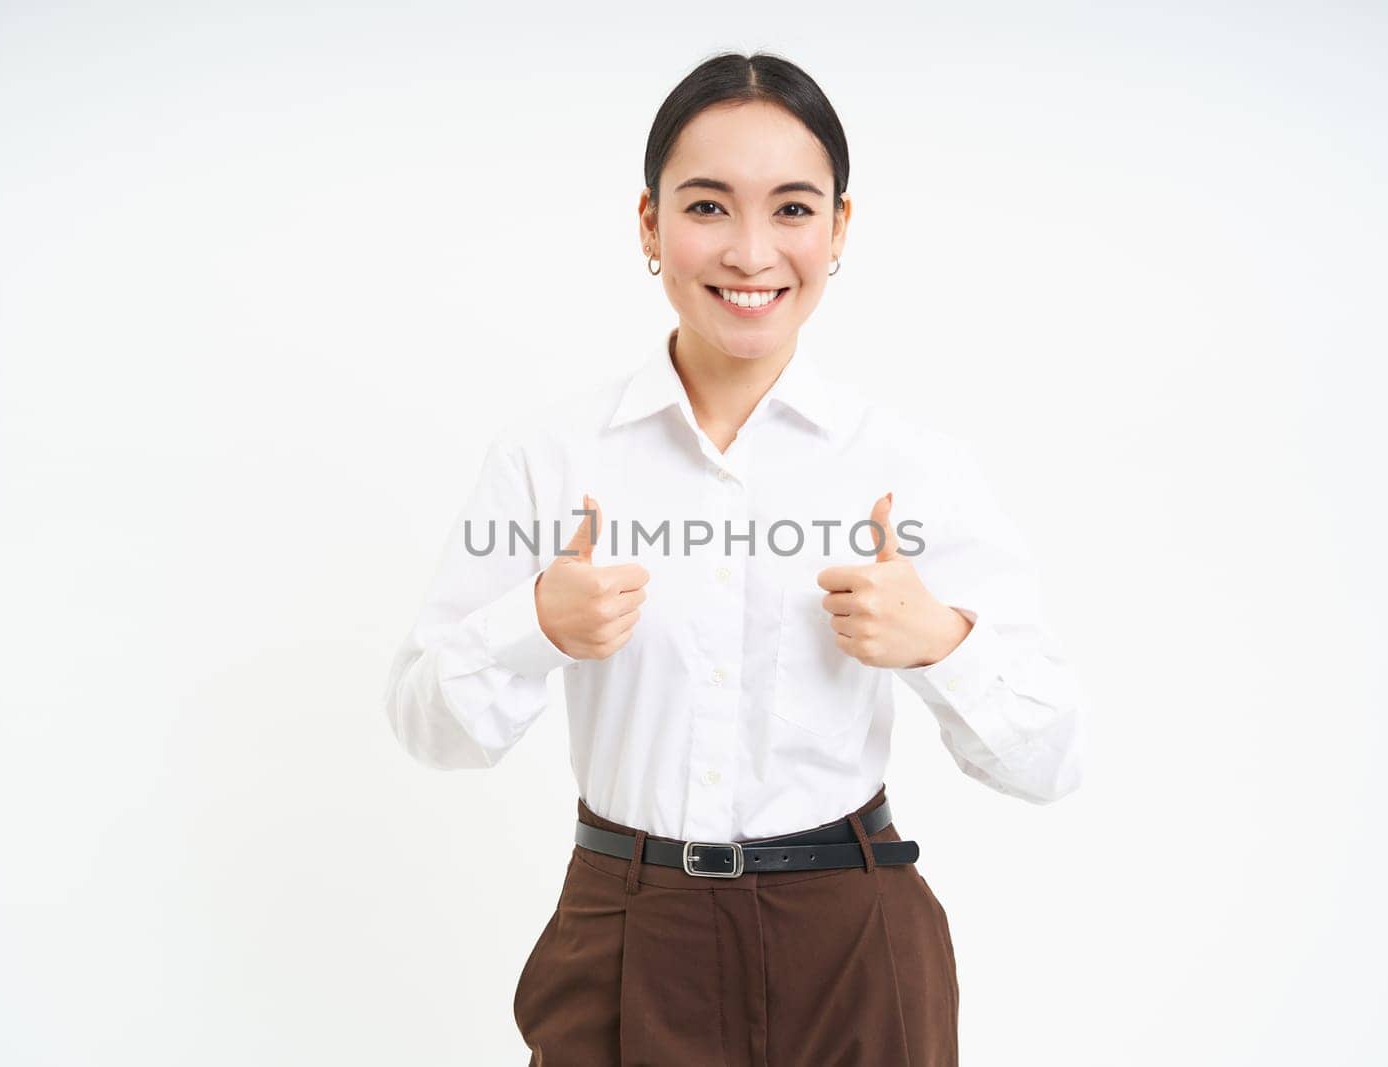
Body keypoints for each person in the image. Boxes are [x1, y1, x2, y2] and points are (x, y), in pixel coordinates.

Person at [382, 50, 1085, 1067]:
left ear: (838, 229)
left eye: (793, 209)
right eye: (707, 206)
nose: (751, 251)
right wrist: (532, 623)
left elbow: (1051, 757)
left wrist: (939, 640)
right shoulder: (550, 457)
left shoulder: (910, 466)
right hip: (625, 927)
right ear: (647, 224)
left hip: (852, 936)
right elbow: (429, 728)